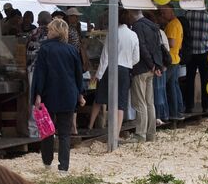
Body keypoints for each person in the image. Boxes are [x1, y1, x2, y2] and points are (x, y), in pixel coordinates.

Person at [32, 18, 87, 173]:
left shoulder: (45, 49)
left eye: (49, 30)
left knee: (48, 130)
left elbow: (40, 74)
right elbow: (78, 75)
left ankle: (47, 161)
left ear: (55, 31)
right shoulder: (71, 50)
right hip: (68, 94)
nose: (48, 32)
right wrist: (80, 94)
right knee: (64, 133)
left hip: (50, 93)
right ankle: (64, 167)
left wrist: (38, 94)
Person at [96, 11, 139, 144]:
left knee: (108, 100)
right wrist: (128, 64)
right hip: (126, 69)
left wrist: (99, 74)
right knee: (121, 103)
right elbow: (136, 58)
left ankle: (108, 130)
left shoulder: (113, 33)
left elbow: (105, 55)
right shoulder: (133, 35)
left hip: (112, 68)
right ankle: (116, 134)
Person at [130, 9, 165, 140]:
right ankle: (151, 133)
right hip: (152, 68)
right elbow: (158, 47)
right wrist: (156, 65)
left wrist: (150, 64)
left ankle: (141, 133)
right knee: (149, 102)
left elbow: (142, 47)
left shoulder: (138, 26)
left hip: (141, 68)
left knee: (140, 102)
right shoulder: (152, 25)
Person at [181, 5, 208, 114]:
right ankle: (206, 106)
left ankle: (189, 106)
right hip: (204, 51)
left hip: (190, 52)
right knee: (205, 80)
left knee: (189, 79)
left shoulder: (187, 14)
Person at [158, 6, 185, 121]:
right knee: (174, 85)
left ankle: (173, 112)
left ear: (171, 11)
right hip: (176, 57)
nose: (163, 15)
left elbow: (172, 43)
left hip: (171, 59)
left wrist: (162, 41)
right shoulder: (177, 23)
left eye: (164, 13)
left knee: (168, 86)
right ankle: (179, 109)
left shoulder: (172, 25)